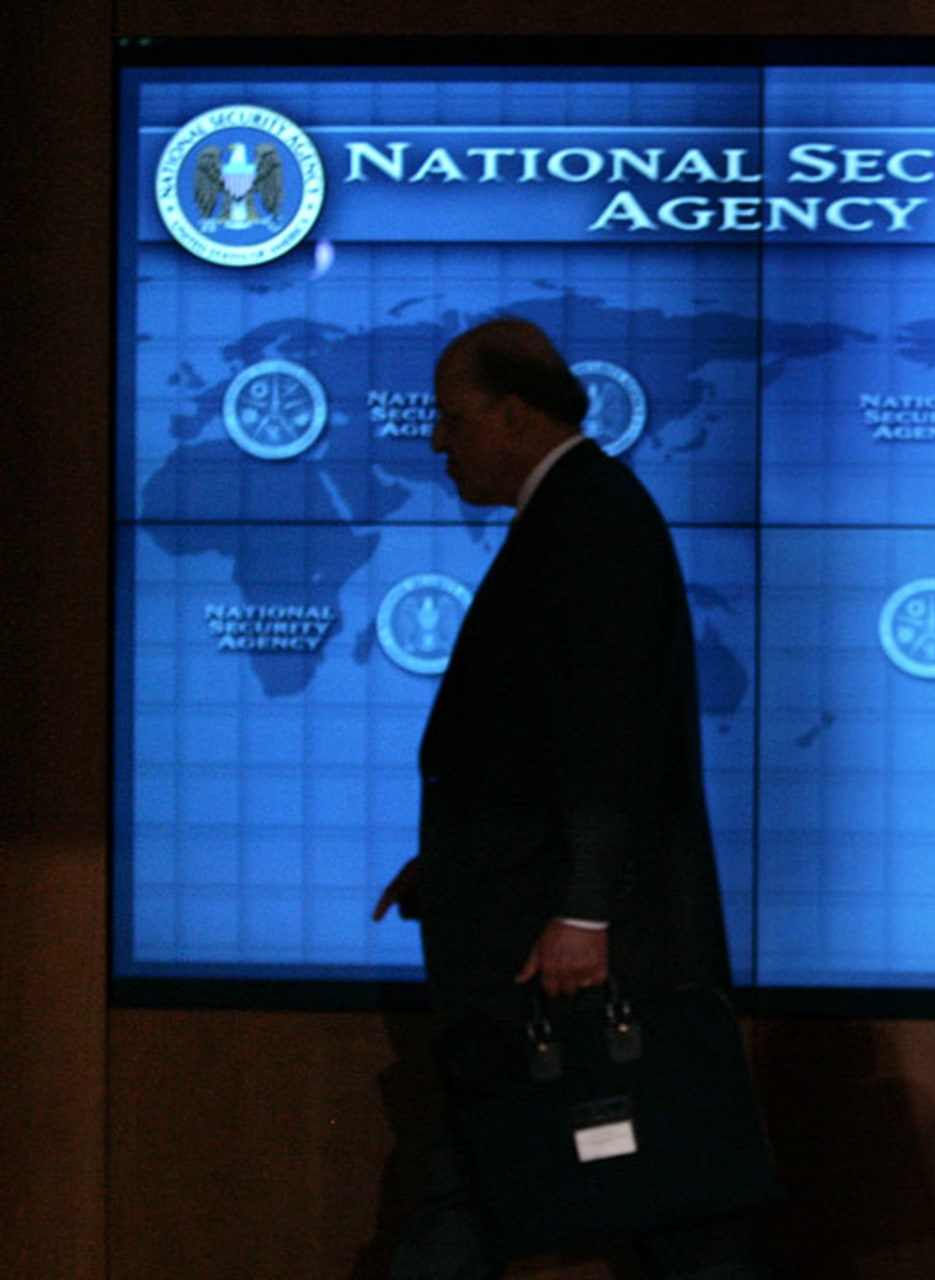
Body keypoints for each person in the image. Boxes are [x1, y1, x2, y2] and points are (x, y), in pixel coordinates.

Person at [373, 317, 769, 1279]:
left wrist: (582, 910)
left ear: (514, 416)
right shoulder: (580, 515)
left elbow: (607, 738)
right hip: (538, 929)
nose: (436, 440)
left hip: (582, 953)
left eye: (452, 417)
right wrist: (461, 857)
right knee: (657, 1195)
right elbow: (544, 743)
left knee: (657, 1194)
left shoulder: (588, 522)